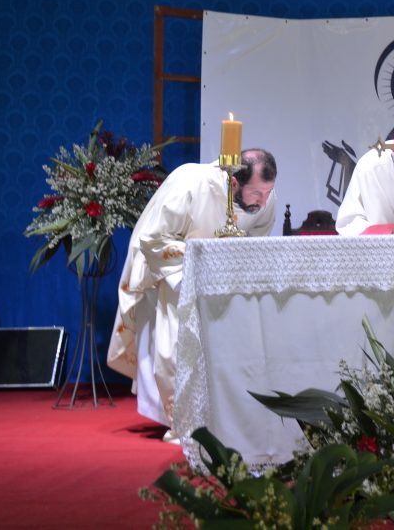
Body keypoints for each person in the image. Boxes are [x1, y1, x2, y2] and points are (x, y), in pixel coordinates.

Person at [107, 148, 277, 437]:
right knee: (175, 343)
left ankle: (225, 419)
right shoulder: (190, 184)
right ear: (234, 183)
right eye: (257, 193)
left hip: (223, 283)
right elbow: (154, 239)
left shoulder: (264, 200)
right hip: (173, 276)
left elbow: (256, 236)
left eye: (268, 192)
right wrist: (202, 256)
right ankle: (184, 423)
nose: (263, 201)